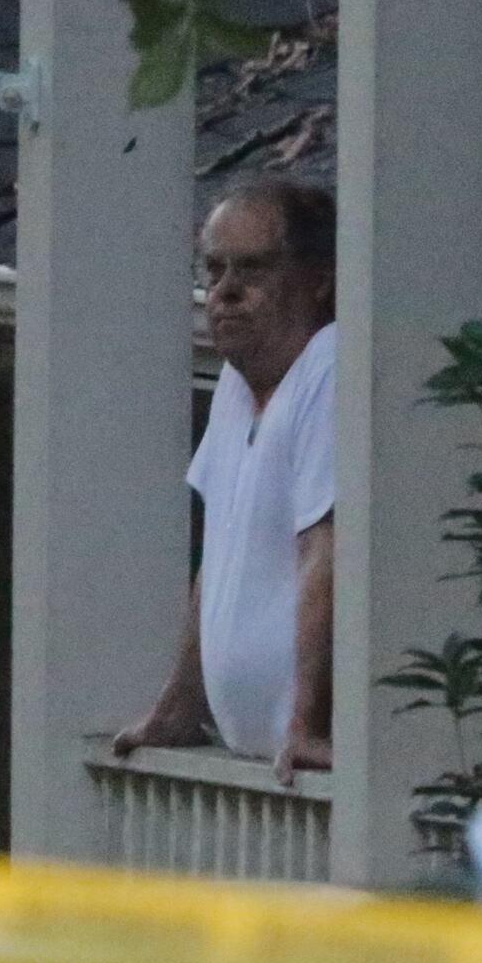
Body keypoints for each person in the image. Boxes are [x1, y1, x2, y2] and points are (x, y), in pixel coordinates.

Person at [114, 178, 338, 785]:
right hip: (259, 762)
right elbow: (219, 559)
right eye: (213, 272)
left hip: (304, 769)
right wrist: (178, 707)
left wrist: (302, 721)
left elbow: (330, 550)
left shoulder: (330, 367)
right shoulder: (237, 386)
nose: (226, 293)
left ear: (318, 280)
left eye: (254, 271)